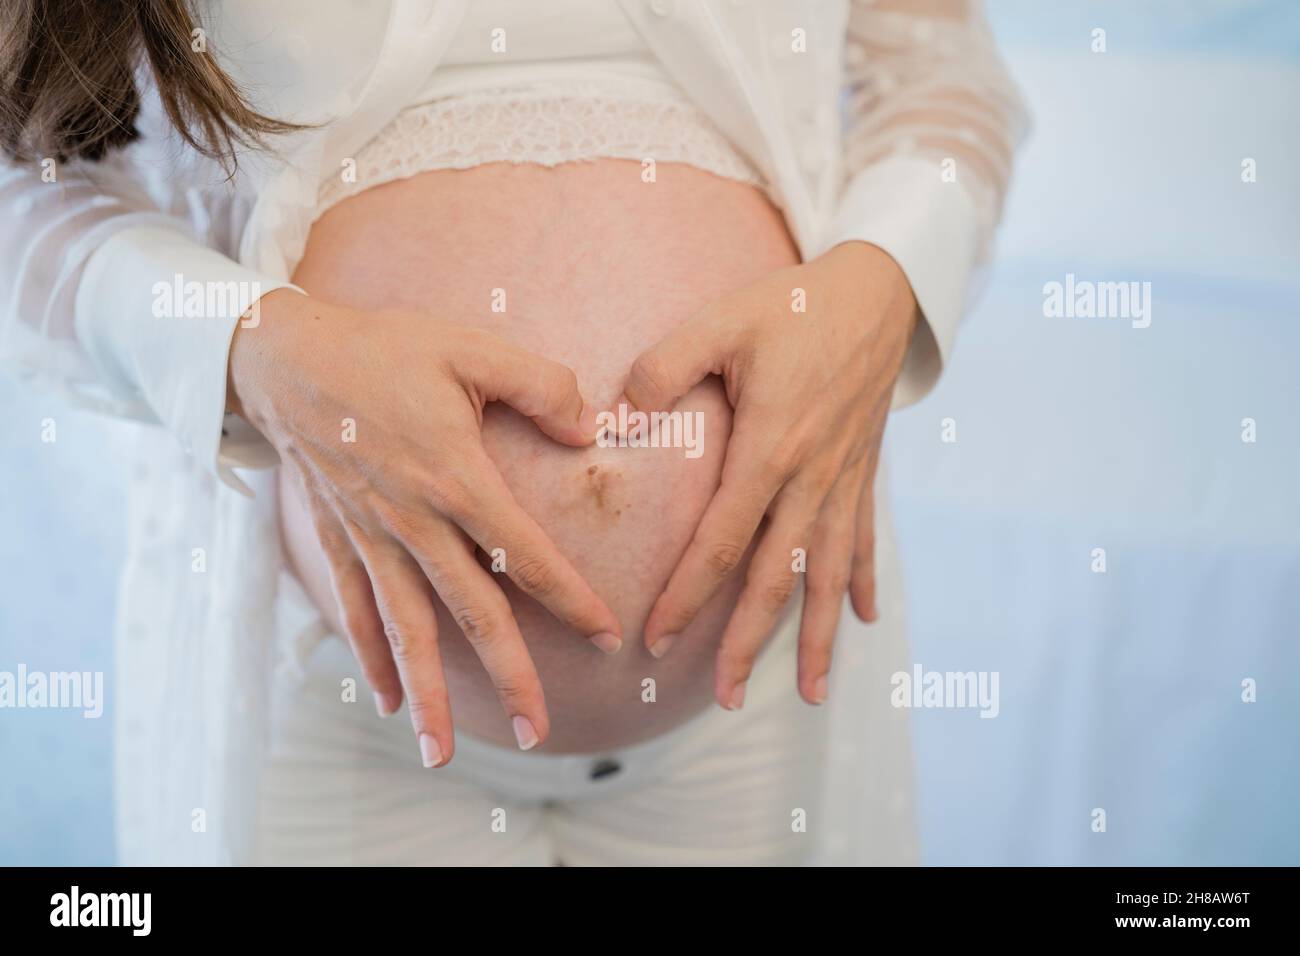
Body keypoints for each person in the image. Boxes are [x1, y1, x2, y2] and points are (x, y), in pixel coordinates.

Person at [0, 0, 1027, 865]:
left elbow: (942, 82)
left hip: (747, 698)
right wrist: (243, 344)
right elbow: (19, 184)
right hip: (334, 702)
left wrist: (884, 281)